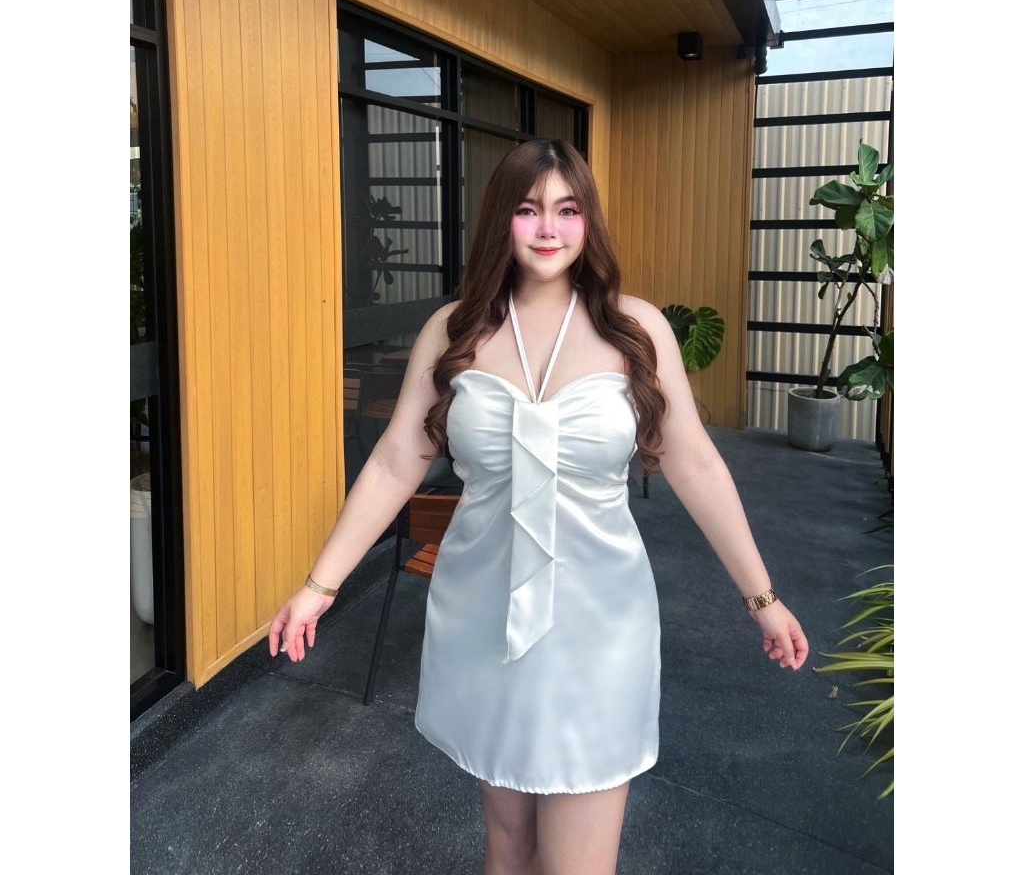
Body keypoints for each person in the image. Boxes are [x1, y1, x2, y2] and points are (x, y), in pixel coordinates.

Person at [269, 138, 809, 875]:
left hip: (600, 624)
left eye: (567, 209)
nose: (548, 228)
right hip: (481, 615)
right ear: (503, 220)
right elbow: (397, 461)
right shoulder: (456, 330)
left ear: (589, 222)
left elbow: (697, 464)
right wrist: (320, 586)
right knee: (509, 844)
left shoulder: (636, 330)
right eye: (528, 210)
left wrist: (762, 597)